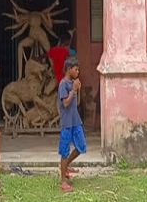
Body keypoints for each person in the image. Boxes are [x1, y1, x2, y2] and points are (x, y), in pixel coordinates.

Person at [58, 56, 86, 192]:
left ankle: (66, 166)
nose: (78, 72)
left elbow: (77, 103)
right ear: (69, 69)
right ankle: (63, 181)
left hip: (76, 121)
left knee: (81, 147)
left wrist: (78, 90)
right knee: (64, 151)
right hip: (67, 123)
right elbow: (66, 103)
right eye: (76, 69)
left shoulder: (74, 83)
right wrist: (73, 90)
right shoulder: (63, 84)